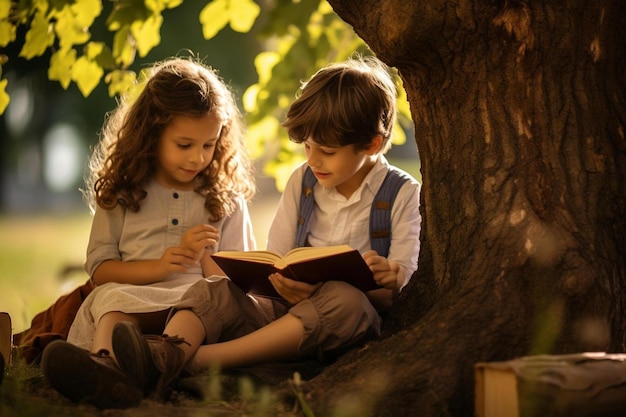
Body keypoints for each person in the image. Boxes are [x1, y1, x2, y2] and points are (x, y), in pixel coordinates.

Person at [110, 54, 422, 404]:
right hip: (284, 311)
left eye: (328, 151)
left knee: (344, 301)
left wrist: (391, 276)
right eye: (307, 147)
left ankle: (191, 362)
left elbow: (407, 276)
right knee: (213, 289)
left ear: (371, 145)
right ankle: (168, 352)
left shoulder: (402, 193)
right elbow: (278, 256)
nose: (313, 160)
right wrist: (282, 282)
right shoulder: (303, 181)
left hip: (346, 317)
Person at [40, 56, 257, 409]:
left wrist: (206, 258)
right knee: (111, 302)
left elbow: (238, 285)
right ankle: (105, 367)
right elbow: (100, 269)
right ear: (152, 133)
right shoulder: (122, 192)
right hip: (133, 297)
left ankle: (158, 365)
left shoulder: (225, 199)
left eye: (209, 145)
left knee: (204, 298)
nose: (198, 158)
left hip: (194, 308)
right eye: (184, 145)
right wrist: (160, 267)